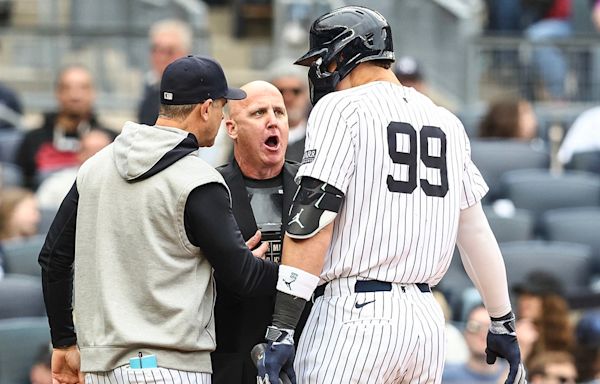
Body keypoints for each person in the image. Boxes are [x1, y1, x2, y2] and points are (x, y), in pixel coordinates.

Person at [257, 6, 526, 384]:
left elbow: (313, 220)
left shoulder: (340, 108)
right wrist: (502, 320)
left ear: (343, 55)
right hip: (425, 321)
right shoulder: (446, 120)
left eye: (324, 62)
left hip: (354, 315)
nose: (321, 72)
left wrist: (282, 326)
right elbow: (476, 233)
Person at [39, 55, 280, 384]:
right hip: (167, 368)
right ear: (205, 108)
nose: (223, 114)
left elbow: (53, 258)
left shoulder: (95, 166)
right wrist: (297, 273)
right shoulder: (197, 178)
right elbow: (244, 278)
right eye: (222, 105)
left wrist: (64, 341)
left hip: (100, 370)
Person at [211, 80, 308, 384]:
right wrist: (231, 266)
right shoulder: (210, 188)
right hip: (232, 353)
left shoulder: (311, 185)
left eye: (279, 112)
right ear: (231, 128)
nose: (272, 120)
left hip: (304, 351)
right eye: (258, 113)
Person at [15, 64, 111, 190]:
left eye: (83, 88)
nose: (75, 96)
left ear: (93, 93)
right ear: (57, 93)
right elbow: (24, 184)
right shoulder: (34, 139)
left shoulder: (109, 141)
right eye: (67, 88)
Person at [36, 129, 114, 210]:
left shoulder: (121, 184)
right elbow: (42, 214)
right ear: (79, 154)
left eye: (100, 151)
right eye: (89, 151)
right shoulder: (57, 184)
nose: (94, 157)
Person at [137, 19, 192, 126]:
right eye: (155, 49)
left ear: (185, 54)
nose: (160, 57)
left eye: (169, 51)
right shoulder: (150, 84)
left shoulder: (197, 91)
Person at [513, 270, 574, 364]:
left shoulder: (570, 339)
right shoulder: (511, 334)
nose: (523, 301)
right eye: (522, 295)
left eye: (532, 295)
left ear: (550, 303)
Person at [442, 304, 508, 383]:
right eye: (475, 327)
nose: (483, 333)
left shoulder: (515, 376)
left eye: (491, 328)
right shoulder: (444, 377)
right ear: (465, 333)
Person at [266, 58, 310, 163]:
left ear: (307, 95)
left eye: (296, 91)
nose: (288, 98)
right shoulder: (255, 140)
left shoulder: (320, 139)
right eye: (280, 91)